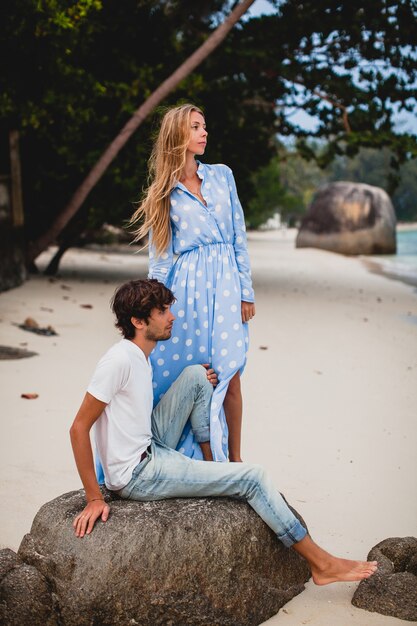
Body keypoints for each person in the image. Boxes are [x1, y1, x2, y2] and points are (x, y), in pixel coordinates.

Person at [70, 279, 377, 586]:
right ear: (138, 321)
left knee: (196, 375)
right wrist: (94, 498)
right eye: (162, 311)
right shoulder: (118, 360)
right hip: (140, 473)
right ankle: (322, 564)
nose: (172, 317)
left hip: (151, 443)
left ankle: (211, 462)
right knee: (253, 478)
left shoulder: (139, 356)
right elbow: (79, 428)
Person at [130, 103, 255, 463]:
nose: (204, 133)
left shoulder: (222, 176)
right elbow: (161, 259)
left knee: (231, 371)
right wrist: (154, 309)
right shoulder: (163, 192)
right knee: (192, 372)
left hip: (227, 287)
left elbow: (239, 237)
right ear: (177, 136)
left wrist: (246, 291)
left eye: (204, 126)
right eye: (196, 127)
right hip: (185, 294)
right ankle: (180, 452)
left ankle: (235, 461)